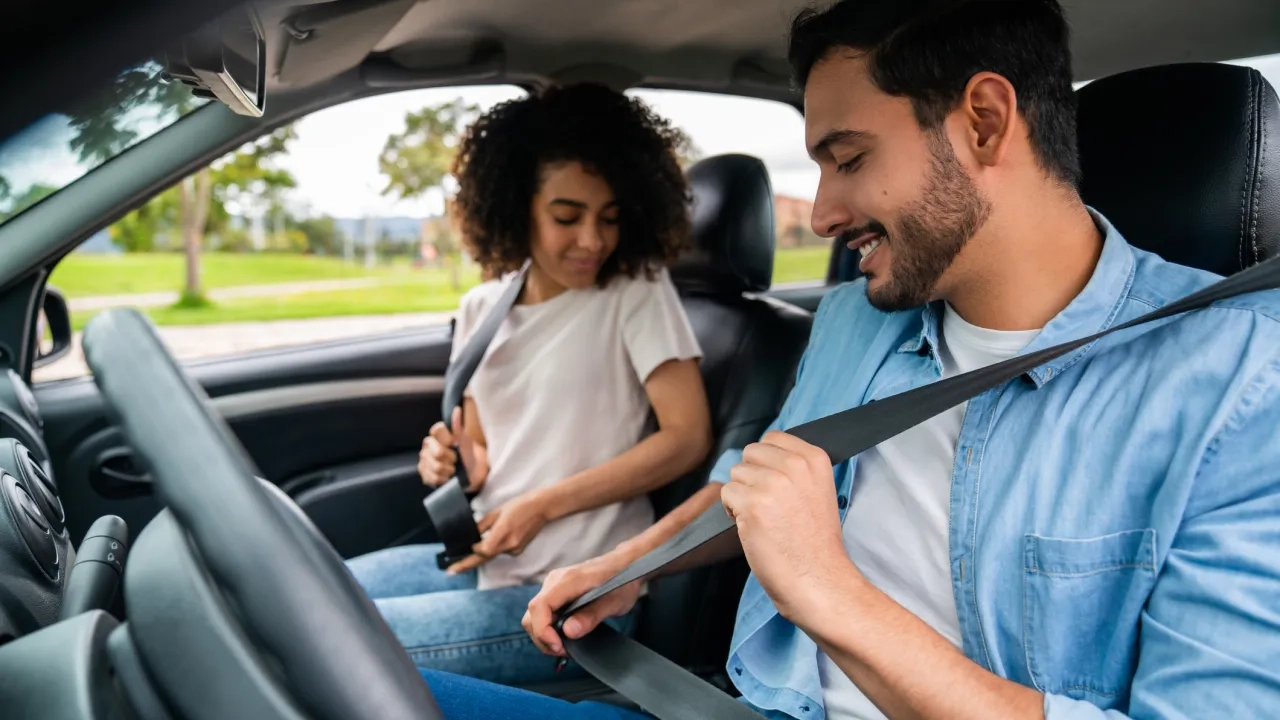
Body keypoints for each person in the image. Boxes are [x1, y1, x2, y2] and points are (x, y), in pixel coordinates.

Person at [413, 1, 1280, 718]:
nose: (822, 214)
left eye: (849, 158)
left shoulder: (1243, 382)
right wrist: (627, 565)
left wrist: (827, 591)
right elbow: (760, 485)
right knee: (324, 678)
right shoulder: (854, 322)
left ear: (983, 122)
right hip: (743, 702)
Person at [345, 83, 713, 686]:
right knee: (305, 591)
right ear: (517, 206)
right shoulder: (481, 306)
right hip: (488, 562)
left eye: (610, 218)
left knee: (321, 641)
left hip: (582, 595)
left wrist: (543, 506)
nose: (592, 240)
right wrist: (450, 458)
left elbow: (688, 437)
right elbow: (484, 452)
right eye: (566, 217)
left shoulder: (635, 294)